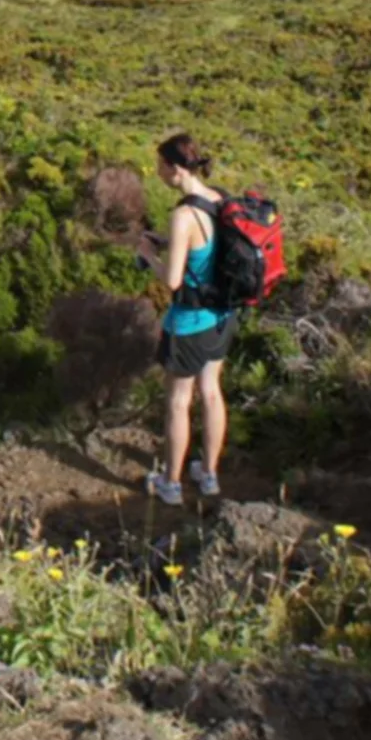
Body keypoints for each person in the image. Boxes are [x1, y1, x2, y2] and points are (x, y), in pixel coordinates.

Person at [137, 133, 233, 505]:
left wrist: (150, 255)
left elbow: (173, 280)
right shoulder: (219, 198)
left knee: (179, 401)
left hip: (190, 322)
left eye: (160, 166)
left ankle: (170, 483)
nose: (158, 173)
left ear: (175, 169)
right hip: (222, 315)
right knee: (211, 392)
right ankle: (209, 475)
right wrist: (167, 241)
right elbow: (206, 245)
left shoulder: (183, 215)